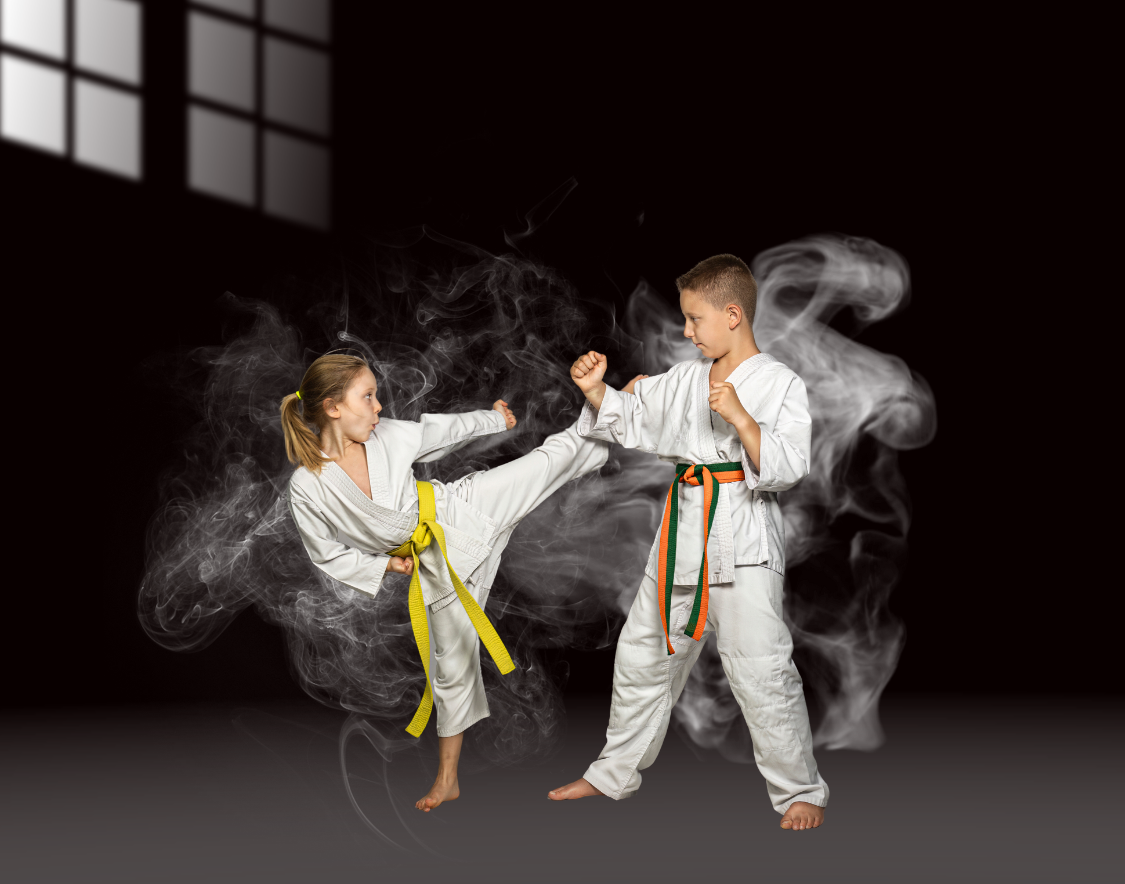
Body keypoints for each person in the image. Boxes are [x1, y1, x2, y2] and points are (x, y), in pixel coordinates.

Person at [549, 254, 829, 831]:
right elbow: (631, 418)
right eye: (684, 318)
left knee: (761, 669)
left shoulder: (779, 382)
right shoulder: (683, 378)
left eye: (695, 318)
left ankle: (800, 791)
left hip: (744, 540)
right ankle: (612, 773)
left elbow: (789, 466)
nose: (686, 330)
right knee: (642, 655)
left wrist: (743, 420)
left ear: (733, 315)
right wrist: (596, 390)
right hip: (682, 534)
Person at [280, 354, 609, 812]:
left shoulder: (387, 435)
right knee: (451, 668)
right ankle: (447, 779)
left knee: (544, 464)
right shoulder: (308, 486)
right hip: (434, 566)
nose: (379, 407)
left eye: (376, 396)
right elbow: (326, 552)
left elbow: (440, 431)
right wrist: (384, 567)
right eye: (368, 397)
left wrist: (493, 418)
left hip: (460, 508)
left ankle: (609, 411)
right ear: (333, 407)